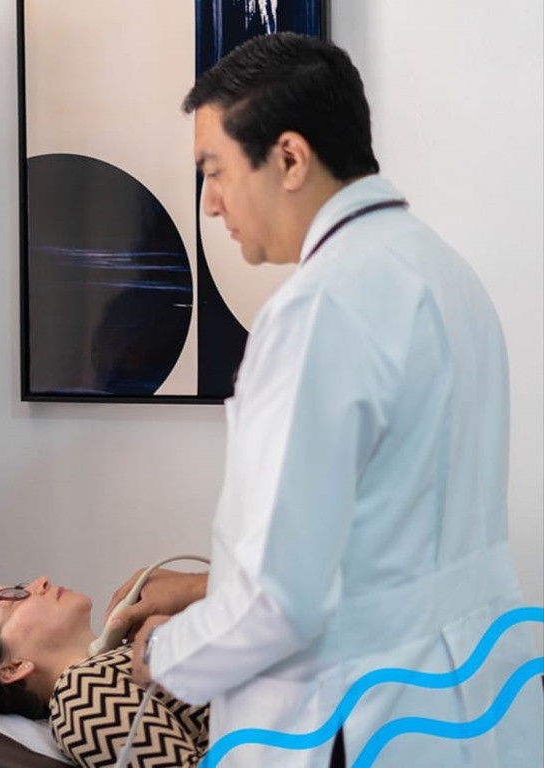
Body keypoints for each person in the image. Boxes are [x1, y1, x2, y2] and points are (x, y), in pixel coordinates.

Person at [106, 32, 544, 768]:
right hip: (465, 704)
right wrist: (206, 587)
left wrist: (166, 653)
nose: (209, 204)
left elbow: (280, 602)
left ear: (288, 158)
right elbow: (389, 541)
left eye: (214, 171)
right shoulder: (443, 272)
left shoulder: (318, 309)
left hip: (351, 718)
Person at [0, 576, 209, 767]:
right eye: (12, 598)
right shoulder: (80, 696)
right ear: (13, 667)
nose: (41, 581)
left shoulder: (134, 651)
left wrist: (199, 590)